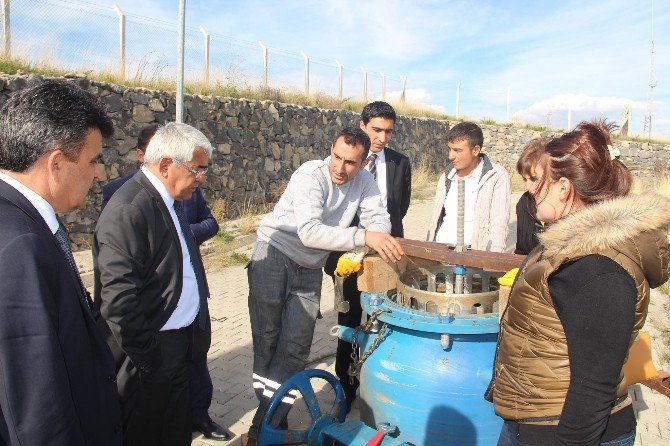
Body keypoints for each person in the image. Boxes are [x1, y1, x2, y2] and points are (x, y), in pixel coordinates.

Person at [489, 120, 670, 446]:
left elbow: (594, 386)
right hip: (536, 421)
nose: (531, 190)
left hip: (562, 431)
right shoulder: (570, 247)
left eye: (538, 180)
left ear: (563, 187)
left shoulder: (596, 267)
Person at [246, 127, 403, 444]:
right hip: (274, 254)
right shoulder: (310, 174)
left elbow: (378, 218)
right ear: (330, 149)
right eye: (337, 157)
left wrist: (370, 239)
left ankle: (265, 426)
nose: (340, 168)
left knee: (295, 350)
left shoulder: (365, 181)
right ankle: (268, 425)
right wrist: (363, 237)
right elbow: (309, 233)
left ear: (362, 163)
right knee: (267, 345)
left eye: (350, 162)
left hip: (309, 267)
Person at [0, 79, 122, 445]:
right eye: (93, 160)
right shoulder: (22, 244)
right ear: (56, 164)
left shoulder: (22, 222)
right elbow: (36, 404)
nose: (99, 173)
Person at [100, 124, 227, 440]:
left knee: (175, 430)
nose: (202, 178)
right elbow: (117, 299)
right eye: (197, 169)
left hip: (177, 347)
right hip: (151, 353)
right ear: (166, 165)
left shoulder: (170, 199)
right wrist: (150, 359)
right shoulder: (129, 208)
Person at [324, 101, 411, 412]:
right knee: (348, 322)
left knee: (386, 320)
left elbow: (399, 210)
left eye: (388, 131)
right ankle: (346, 390)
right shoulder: (344, 163)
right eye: (377, 129)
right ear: (362, 126)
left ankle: (381, 385)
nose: (383, 137)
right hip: (347, 260)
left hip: (384, 259)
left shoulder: (401, 163)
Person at [427, 121, 510, 252]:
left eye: (457, 150)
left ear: (476, 150)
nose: (450, 156)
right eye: (449, 149)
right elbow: (437, 218)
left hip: (473, 257)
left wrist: (492, 260)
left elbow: (498, 224)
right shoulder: (447, 176)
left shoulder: (495, 176)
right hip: (440, 253)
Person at [514, 138, 547, 255]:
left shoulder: (572, 210)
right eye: (525, 179)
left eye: (534, 179)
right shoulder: (524, 203)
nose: (529, 187)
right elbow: (521, 251)